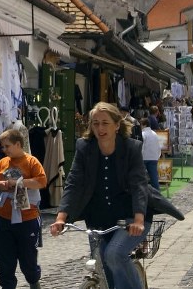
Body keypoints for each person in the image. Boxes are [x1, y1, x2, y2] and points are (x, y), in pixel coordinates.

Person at [49, 102, 149, 289]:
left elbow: (138, 185)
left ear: (117, 125)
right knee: (104, 265)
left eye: (105, 123)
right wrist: (61, 218)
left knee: (114, 254)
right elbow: (74, 183)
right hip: (98, 218)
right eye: (95, 123)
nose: (100, 128)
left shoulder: (131, 148)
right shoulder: (84, 147)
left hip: (130, 217)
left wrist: (138, 220)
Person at [0, 128, 46, 289]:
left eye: (7, 146)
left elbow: (42, 181)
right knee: (4, 259)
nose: (4, 149)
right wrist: (1, 184)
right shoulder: (3, 162)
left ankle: (34, 281)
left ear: (18, 144)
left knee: (28, 259)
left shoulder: (31, 161)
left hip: (27, 218)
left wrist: (20, 183)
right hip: (3, 218)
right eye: (2, 146)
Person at [140, 121, 162, 191]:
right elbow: (158, 146)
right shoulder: (155, 134)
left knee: (142, 177)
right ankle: (157, 192)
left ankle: (143, 192)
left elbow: (142, 146)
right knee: (154, 177)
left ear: (144, 125)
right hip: (153, 157)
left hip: (144, 157)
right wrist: (158, 156)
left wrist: (140, 155)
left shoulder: (143, 134)